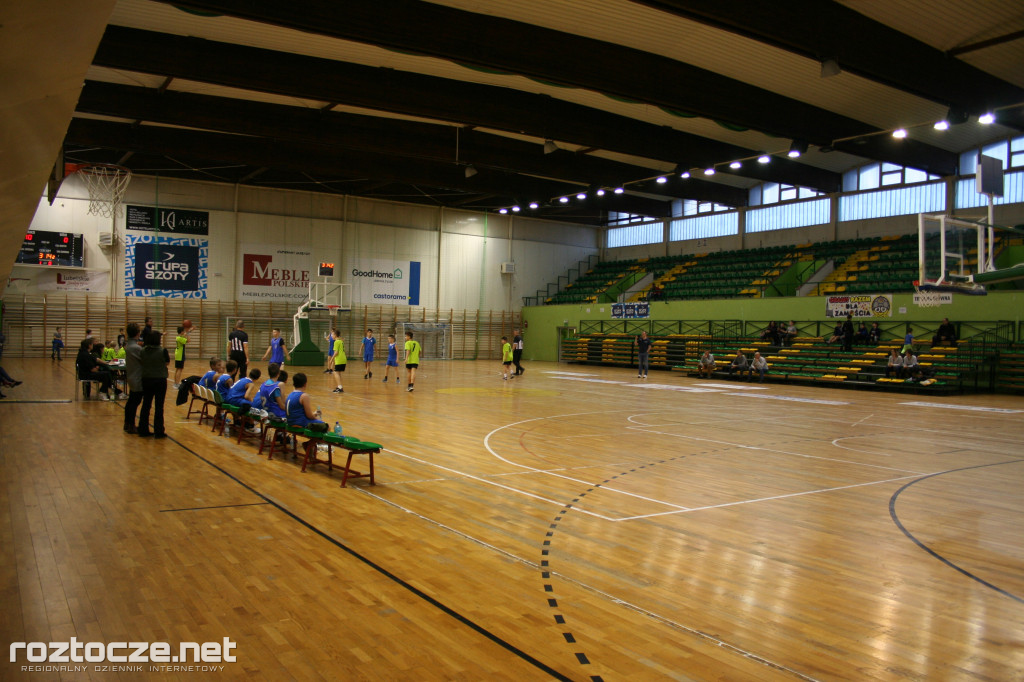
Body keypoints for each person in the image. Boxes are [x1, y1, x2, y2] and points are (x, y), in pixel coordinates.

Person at [138, 330, 170, 438]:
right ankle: (159, 430)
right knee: (159, 406)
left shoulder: (142, 351)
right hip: (160, 379)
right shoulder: (163, 350)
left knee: (146, 404)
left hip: (146, 379)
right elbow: (167, 362)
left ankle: (143, 429)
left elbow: (141, 361)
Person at [123, 323, 144, 434]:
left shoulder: (129, 345)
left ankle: (127, 423)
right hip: (137, 378)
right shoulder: (136, 348)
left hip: (131, 376)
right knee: (134, 402)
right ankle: (131, 424)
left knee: (131, 401)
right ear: (137, 333)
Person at [173, 325, 192, 389]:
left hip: (178, 354)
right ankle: (176, 384)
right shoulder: (179, 338)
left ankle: (176, 383)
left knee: (178, 369)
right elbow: (188, 340)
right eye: (183, 331)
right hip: (180, 355)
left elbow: (185, 336)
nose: (184, 332)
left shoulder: (179, 337)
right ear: (181, 332)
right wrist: (188, 333)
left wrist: (189, 331)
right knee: (179, 369)